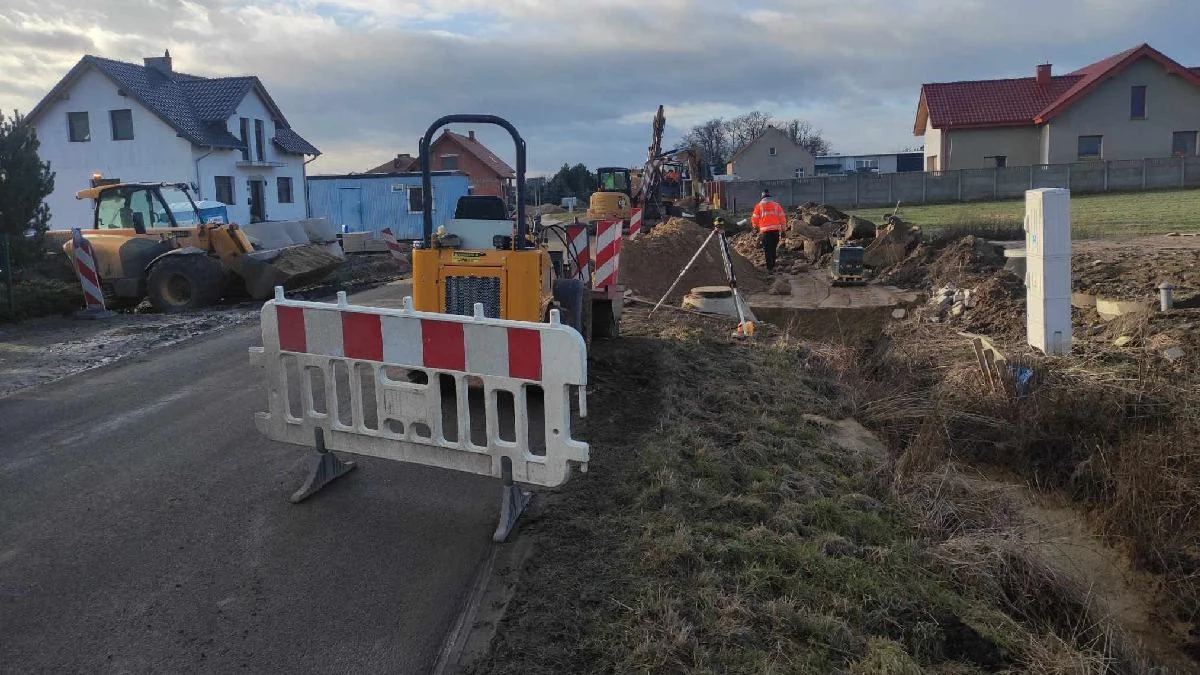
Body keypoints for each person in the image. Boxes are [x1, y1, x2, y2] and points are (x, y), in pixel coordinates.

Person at [751, 189, 786, 273]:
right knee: (773, 248)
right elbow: (782, 218)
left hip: (765, 232)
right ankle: (773, 265)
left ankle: (769, 267)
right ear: (769, 196)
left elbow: (754, 219)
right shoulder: (777, 205)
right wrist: (783, 230)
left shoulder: (758, 206)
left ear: (762, 197)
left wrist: (755, 227)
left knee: (767, 249)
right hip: (775, 231)